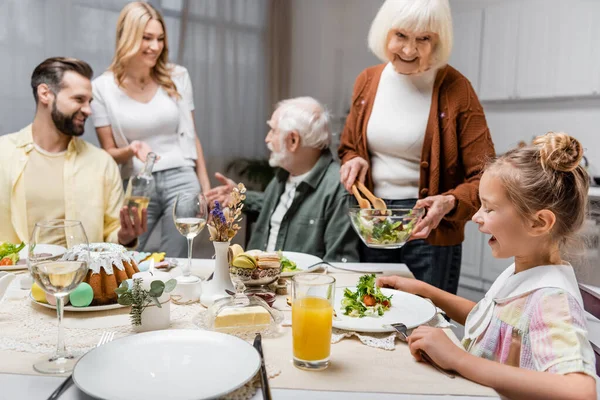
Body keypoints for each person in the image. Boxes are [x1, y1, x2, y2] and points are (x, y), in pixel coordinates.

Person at [378, 133, 597, 400]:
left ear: (539, 223)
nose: (476, 217)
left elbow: (580, 391)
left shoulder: (552, 299)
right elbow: (493, 322)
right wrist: (425, 290)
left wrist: (458, 359)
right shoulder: (525, 271)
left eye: (490, 209)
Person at [338, 0, 495, 294]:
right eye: (401, 36)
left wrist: (448, 201)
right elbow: (348, 147)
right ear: (385, 32)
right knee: (373, 312)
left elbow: (486, 177)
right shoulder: (367, 81)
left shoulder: (457, 89)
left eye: (423, 39)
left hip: (429, 228)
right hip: (374, 220)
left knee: (425, 323)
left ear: (439, 40)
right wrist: (354, 159)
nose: (409, 50)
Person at [92, 2, 210, 257]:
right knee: (125, 257)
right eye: (146, 38)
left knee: (176, 260)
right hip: (137, 182)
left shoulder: (177, 76)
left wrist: (205, 187)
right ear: (128, 37)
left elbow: (192, 136)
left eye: (160, 38)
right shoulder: (101, 88)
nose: (155, 46)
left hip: (181, 176)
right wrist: (131, 150)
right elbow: (108, 153)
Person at [0, 57, 146, 247]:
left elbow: (111, 234)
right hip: (13, 276)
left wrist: (126, 236)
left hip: (81, 276)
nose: (88, 110)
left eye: (89, 101)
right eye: (79, 99)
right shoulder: (3, 153)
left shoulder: (102, 163)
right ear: (45, 94)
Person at [206, 97, 359, 263]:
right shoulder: (283, 177)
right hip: (256, 282)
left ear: (293, 141)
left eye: (273, 131)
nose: (267, 139)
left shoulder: (338, 188)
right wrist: (241, 197)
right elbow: (281, 209)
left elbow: (339, 265)